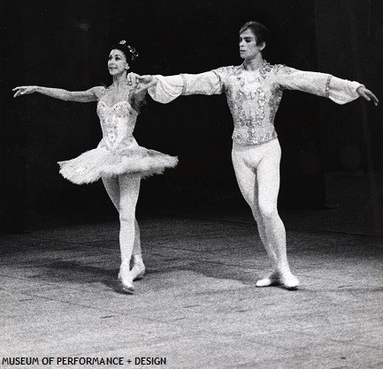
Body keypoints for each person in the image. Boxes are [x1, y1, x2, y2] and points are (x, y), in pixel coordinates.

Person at [131, 21, 379, 290]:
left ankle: (285, 269)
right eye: (240, 39)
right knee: (258, 214)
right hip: (240, 152)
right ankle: (274, 268)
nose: (241, 44)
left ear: (261, 45)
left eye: (248, 40)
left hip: (267, 149)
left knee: (268, 208)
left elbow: (312, 79)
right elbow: (193, 81)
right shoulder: (228, 75)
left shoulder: (275, 74)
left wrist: (353, 86)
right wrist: (155, 80)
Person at [13, 40, 178, 294]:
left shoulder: (133, 92)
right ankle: (140, 262)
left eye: (117, 58)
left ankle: (125, 268)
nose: (112, 62)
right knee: (125, 214)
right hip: (104, 155)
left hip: (128, 155)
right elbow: (69, 94)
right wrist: (36, 88)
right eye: (110, 57)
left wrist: (146, 82)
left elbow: (150, 88)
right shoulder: (100, 92)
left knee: (126, 213)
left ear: (127, 64)